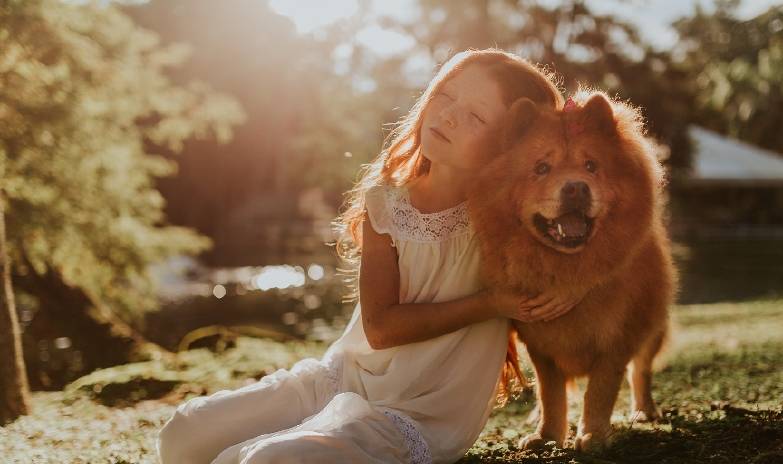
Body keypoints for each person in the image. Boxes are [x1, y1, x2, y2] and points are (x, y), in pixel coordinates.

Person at [157, 48, 585, 464]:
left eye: (476, 115)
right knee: (184, 435)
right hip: (345, 377)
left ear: (508, 144)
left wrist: (575, 285)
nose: (449, 115)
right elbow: (380, 329)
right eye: (445, 95)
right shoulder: (386, 203)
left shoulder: (513, 219)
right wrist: (491, 304)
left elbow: (594, 243)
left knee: (277, 459)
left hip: (421, 411)